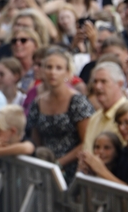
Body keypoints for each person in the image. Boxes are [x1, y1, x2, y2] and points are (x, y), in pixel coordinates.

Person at [27, 47, 95, 180]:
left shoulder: (77, 101)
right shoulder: (37, 102)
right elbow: (36, 139)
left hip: (74, 170)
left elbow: (87, 141)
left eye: (58, 68)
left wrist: (59, 163)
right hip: (45, 168)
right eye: (49, 67)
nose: (53, 72)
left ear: (67, 72)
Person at [80, 62, 128, 152]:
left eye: (103, 81)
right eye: (95, 81)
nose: (98, 87)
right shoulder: (94, 118)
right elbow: (87, 151)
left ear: (120, 84)